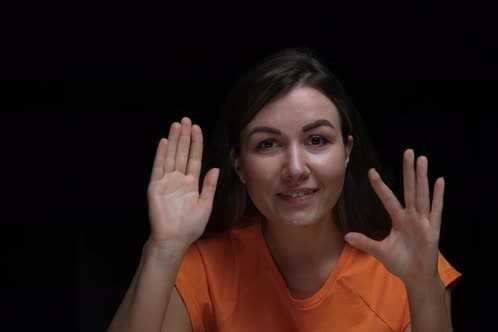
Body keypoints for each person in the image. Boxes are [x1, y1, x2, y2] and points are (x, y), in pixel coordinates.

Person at [107, 48, 461, 332]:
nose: (295, 168)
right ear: (239, 165)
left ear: (347, 151)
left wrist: (422, 288)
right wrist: (163, 250)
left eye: (317, 140)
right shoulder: (202, 267)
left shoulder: (407, 267)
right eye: (268, 145)